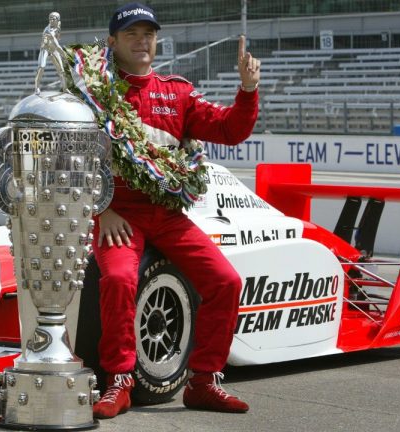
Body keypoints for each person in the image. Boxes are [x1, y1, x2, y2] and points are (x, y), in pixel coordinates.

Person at [91, 2, 260, 419]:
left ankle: (203, 382)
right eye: (131, 33)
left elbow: (228, 130)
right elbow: (71, 161)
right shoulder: (94, 92)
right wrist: (102, 208)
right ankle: (119, 382)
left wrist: (248, 90)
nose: (142, 40)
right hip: (120, 213)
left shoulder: (177, 91)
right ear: (113, 42)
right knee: (116, 277)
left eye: (148, 33)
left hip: (166, 214)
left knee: (225, 280)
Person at [35, 12, 67, 93]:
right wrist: (65, 56)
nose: (51, 20)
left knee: (61, 70)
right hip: (45, 49)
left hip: (53, 48)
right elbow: (58, 46)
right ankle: (36, 87)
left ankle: (65, 88)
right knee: (41, 67)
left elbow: (58, 39)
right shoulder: (48, 31)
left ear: (58, 20)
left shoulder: (58, 28)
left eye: (53, 18)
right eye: (50, 18)